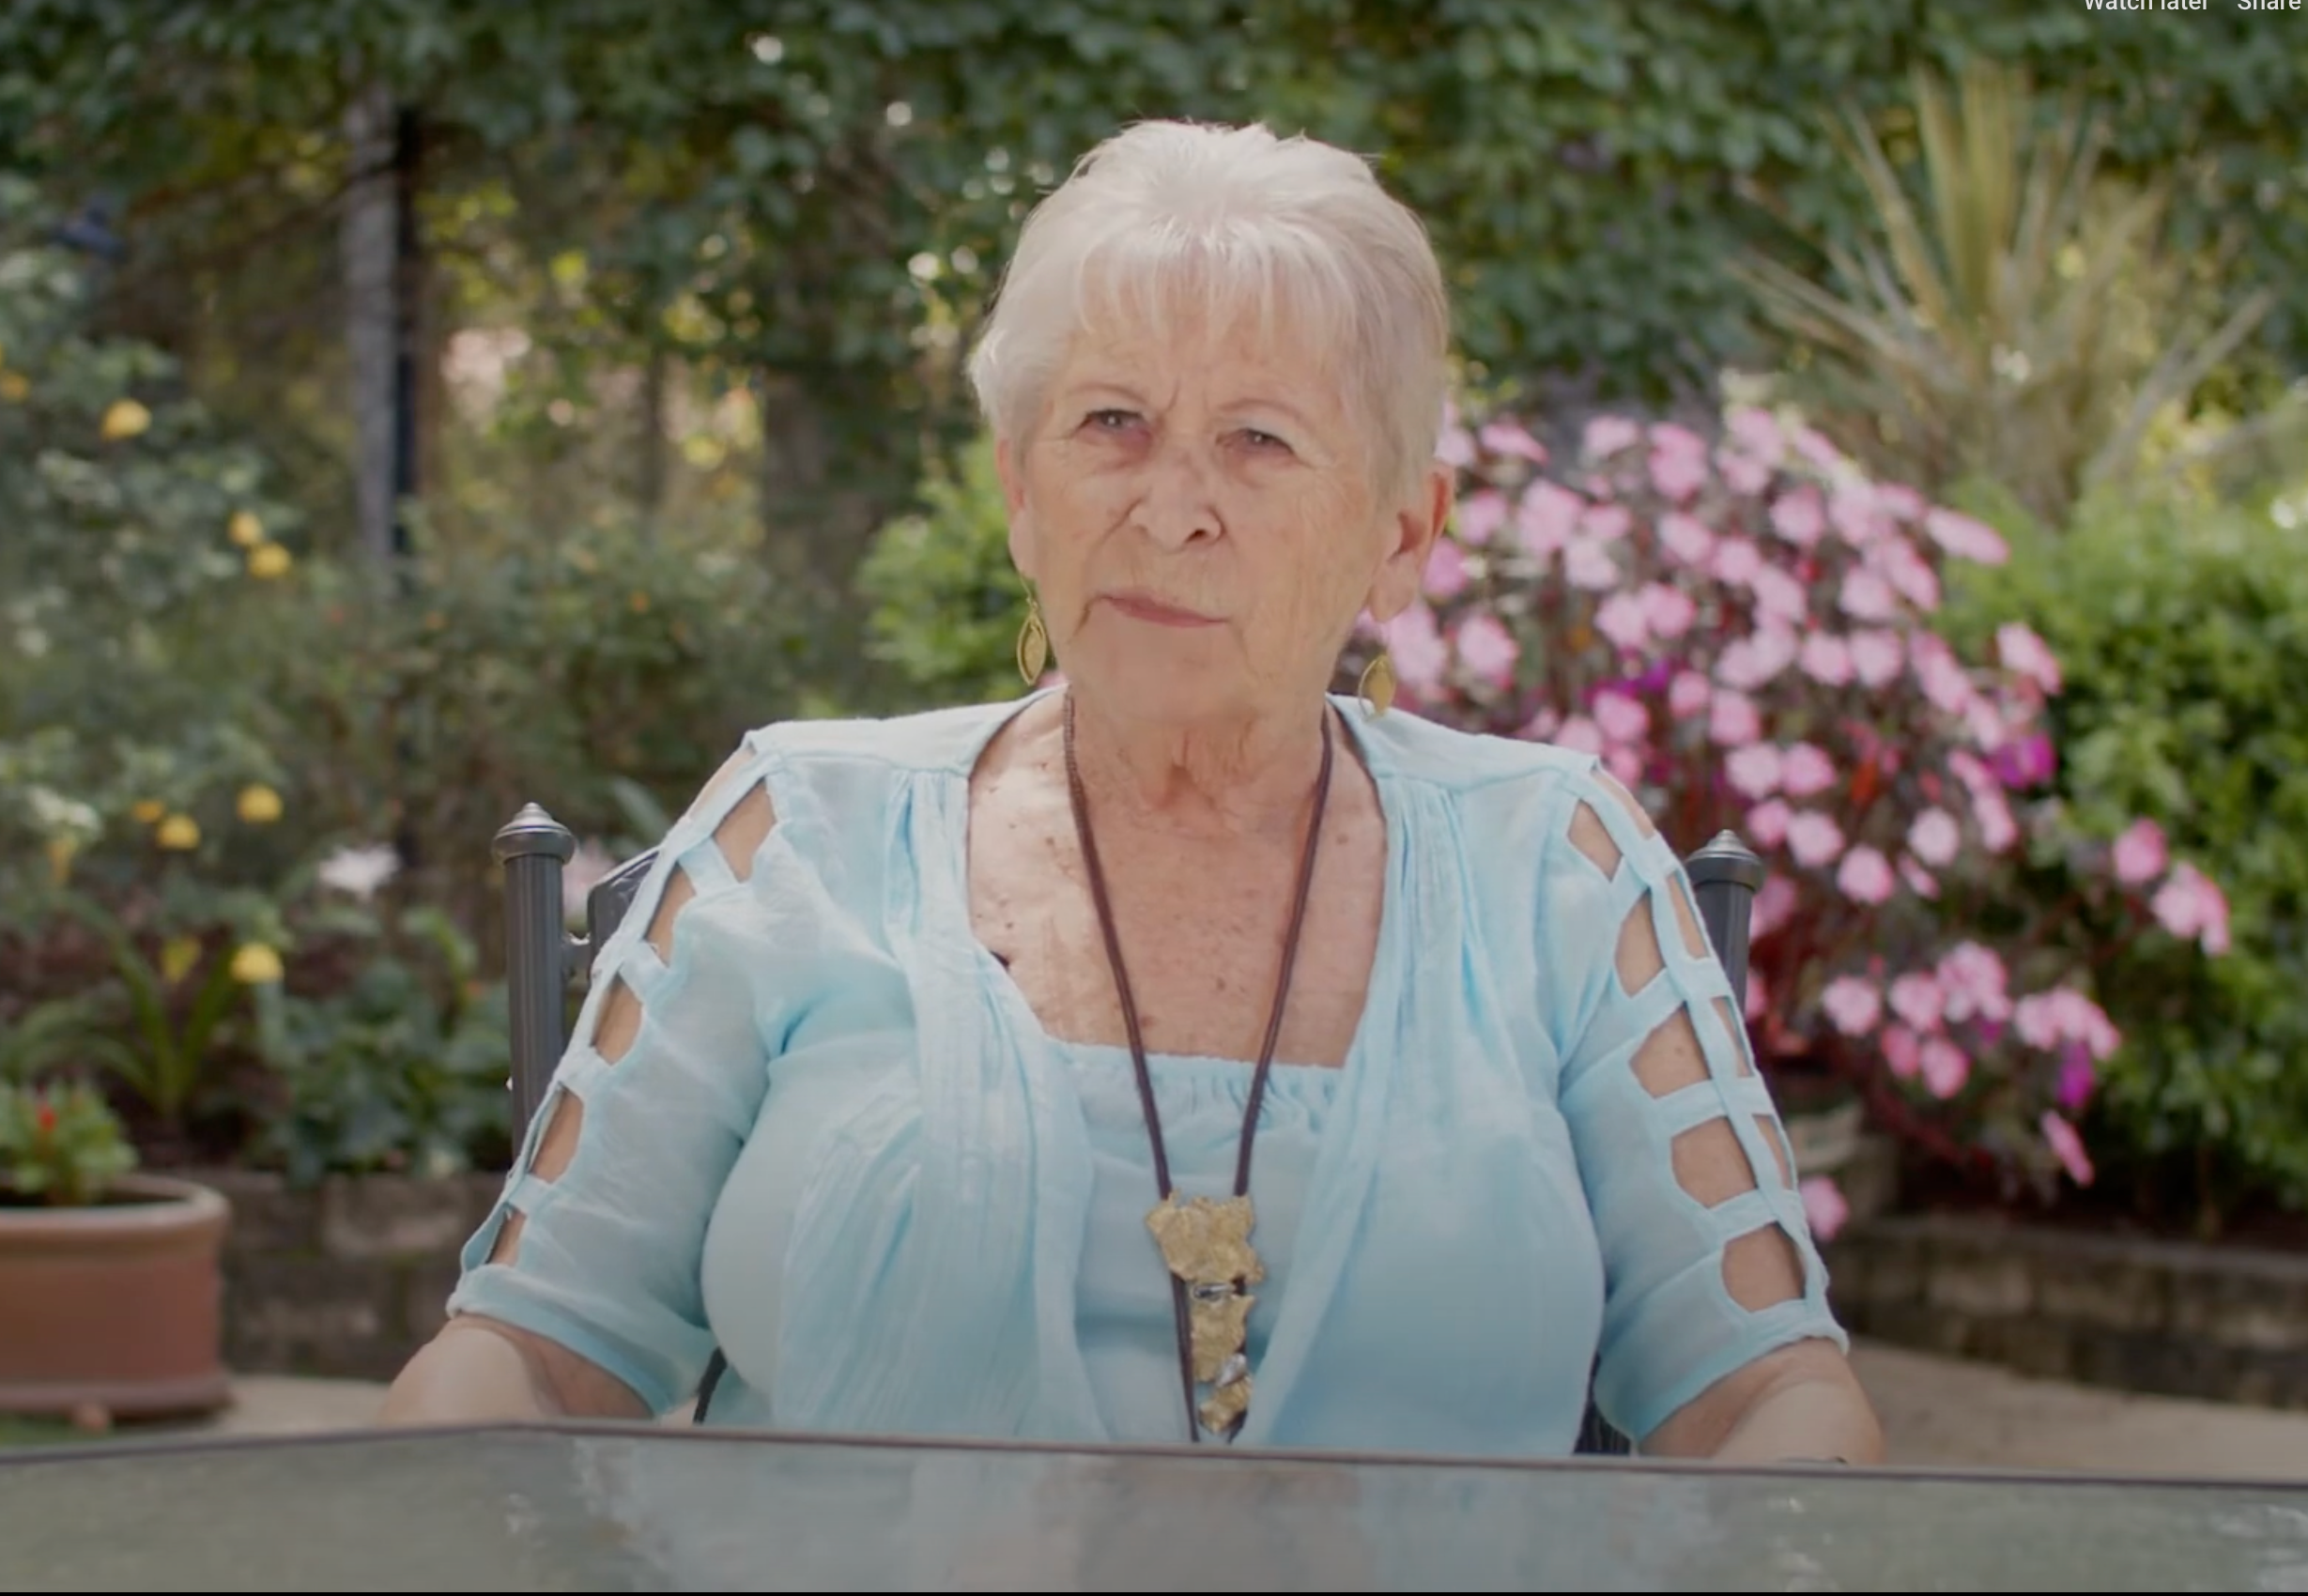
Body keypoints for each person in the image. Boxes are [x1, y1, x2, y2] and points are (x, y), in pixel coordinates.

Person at [381, 118, 1885, 1464]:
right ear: (1020, 489)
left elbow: (1765, 1394)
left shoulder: (1553, 866)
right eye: (1110, 424)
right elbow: (527, 1348)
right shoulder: (801, 833)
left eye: (1258, 439)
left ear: (1401, 535)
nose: (1172, 511)